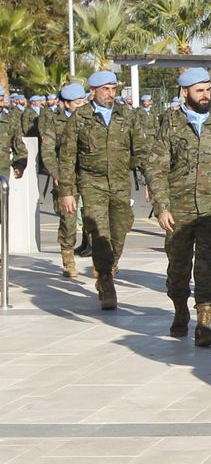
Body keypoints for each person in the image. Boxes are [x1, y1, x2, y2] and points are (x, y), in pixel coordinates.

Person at [146, 68, 211, 347]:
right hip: (179, 210)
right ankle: (180, 309)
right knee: (178, 266)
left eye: (208, 90)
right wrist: (162, 207)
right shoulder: (170, 124)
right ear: (185, 92)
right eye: (200, 90)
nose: (206, 95)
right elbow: (156, 169)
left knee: (207, 266)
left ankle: (204, 324)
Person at [58, 69, 147, 310]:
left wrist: (150, 181)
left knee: (120, 230)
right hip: (91, 183)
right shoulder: (80, 118)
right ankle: (106, 281)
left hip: (120, 183)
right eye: (105, 89)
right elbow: (67, 157)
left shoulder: (127, 116)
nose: (110, 94)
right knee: (99, 233)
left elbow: (141, 150)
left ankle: (109, 265)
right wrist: (67, 191)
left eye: (113, 89)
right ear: (93, 92)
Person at [39, 83, 86, 277]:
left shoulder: (90, 119)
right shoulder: (54, 121)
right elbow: (48, 152)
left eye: (84, 101)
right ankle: (68, 259)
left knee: (95, 217)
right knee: (68, 218)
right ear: (66, 104)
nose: (82, 105)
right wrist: (56, 174)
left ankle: (102, 264)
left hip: (90, 174)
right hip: (66, 176)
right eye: (77, 102)